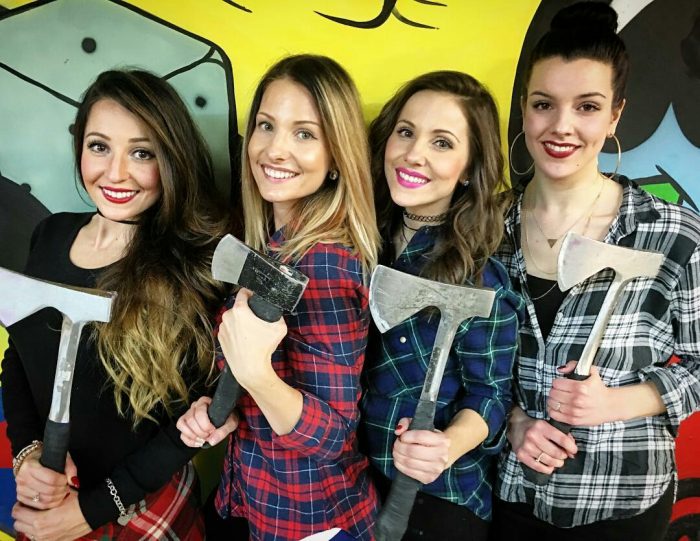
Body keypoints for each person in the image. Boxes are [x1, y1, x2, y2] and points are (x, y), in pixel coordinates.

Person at [491, 3, 700, 540]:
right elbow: (478, 367)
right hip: (511, 494)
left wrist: (619, 401)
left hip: (624, 500)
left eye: (587, 106)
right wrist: (515, 422)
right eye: (544, 104)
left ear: (615, 115)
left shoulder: (672, 231)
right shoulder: (487, 230)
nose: (562, 127)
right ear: (523, 109)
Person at [2, 69, 229, 539]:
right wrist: (26, 453)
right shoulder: (51, 234)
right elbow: (19, 358)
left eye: (141, 153)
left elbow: (189, 427)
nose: (115, 173)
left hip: (138, 504)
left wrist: (87, 513)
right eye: (99, 146)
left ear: (172, 160)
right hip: (51, 496)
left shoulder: (194, 269)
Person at [176, 54, 381, 541]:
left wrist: (255, 375)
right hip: (249, 492)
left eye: (304, 133)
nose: (275, 148)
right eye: (266, 125)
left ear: (338, 156)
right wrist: (216, 409)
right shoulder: (272, 243)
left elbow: (333, 436)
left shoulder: (326, 263)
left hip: (308, 519)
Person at [358, 71, 525, 541]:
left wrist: (446, 445)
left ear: (470, 167)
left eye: (443, 143)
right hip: (351, 482)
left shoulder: (478, 274)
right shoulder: (359, 239)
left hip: (439, 497)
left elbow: (490, 394)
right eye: (406, 132)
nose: (414, 154)